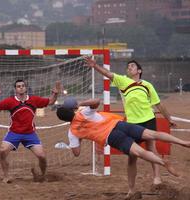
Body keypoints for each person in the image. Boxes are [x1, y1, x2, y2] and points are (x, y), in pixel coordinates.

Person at [56, 98, 190, 199]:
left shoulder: (72, 132)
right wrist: (80, 104)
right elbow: (97, 101)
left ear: (64, 120)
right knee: (152, 134)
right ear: (72, 109)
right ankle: (183, 142)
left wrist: (80, 137)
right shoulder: (83, 111)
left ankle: (162, 162)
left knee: (138, 152)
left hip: (111, 136)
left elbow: (76, 153)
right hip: (119, 124)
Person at [85, 57, 176, 191]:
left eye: (132, 66)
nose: (129, 68)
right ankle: (131, 189)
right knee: (132, 156)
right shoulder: (123, 81)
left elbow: (158, 104)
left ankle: (157, 178)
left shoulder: (147, 85)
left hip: (149, 119)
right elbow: (108, 74)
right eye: (128, 67)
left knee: (151, 148)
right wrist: (95, 66)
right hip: (132, 123)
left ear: (139, 70)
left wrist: (169, 119)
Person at [0, 80, 61, 183]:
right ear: (15, 89)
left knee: (42, 156)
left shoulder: (34, 99)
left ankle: (43, 175)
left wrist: (55, 94)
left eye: (23, 86)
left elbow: (50, 102)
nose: (21, 87)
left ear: (26, 88)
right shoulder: (10, 101)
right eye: (18, 86)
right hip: (14, 133)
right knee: (2, 151)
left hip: (30, 134)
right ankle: (6, 176)